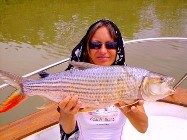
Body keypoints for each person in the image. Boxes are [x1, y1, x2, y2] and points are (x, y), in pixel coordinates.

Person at [58, 19, 148, 140]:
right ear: (87, 48)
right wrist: (68, 112)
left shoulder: (129, 79)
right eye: (95, 45)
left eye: (111, 45)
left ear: (118, 49)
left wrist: (131, 110)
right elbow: (68, 129)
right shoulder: (74, 78)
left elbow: (143, 128)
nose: (103, 51)